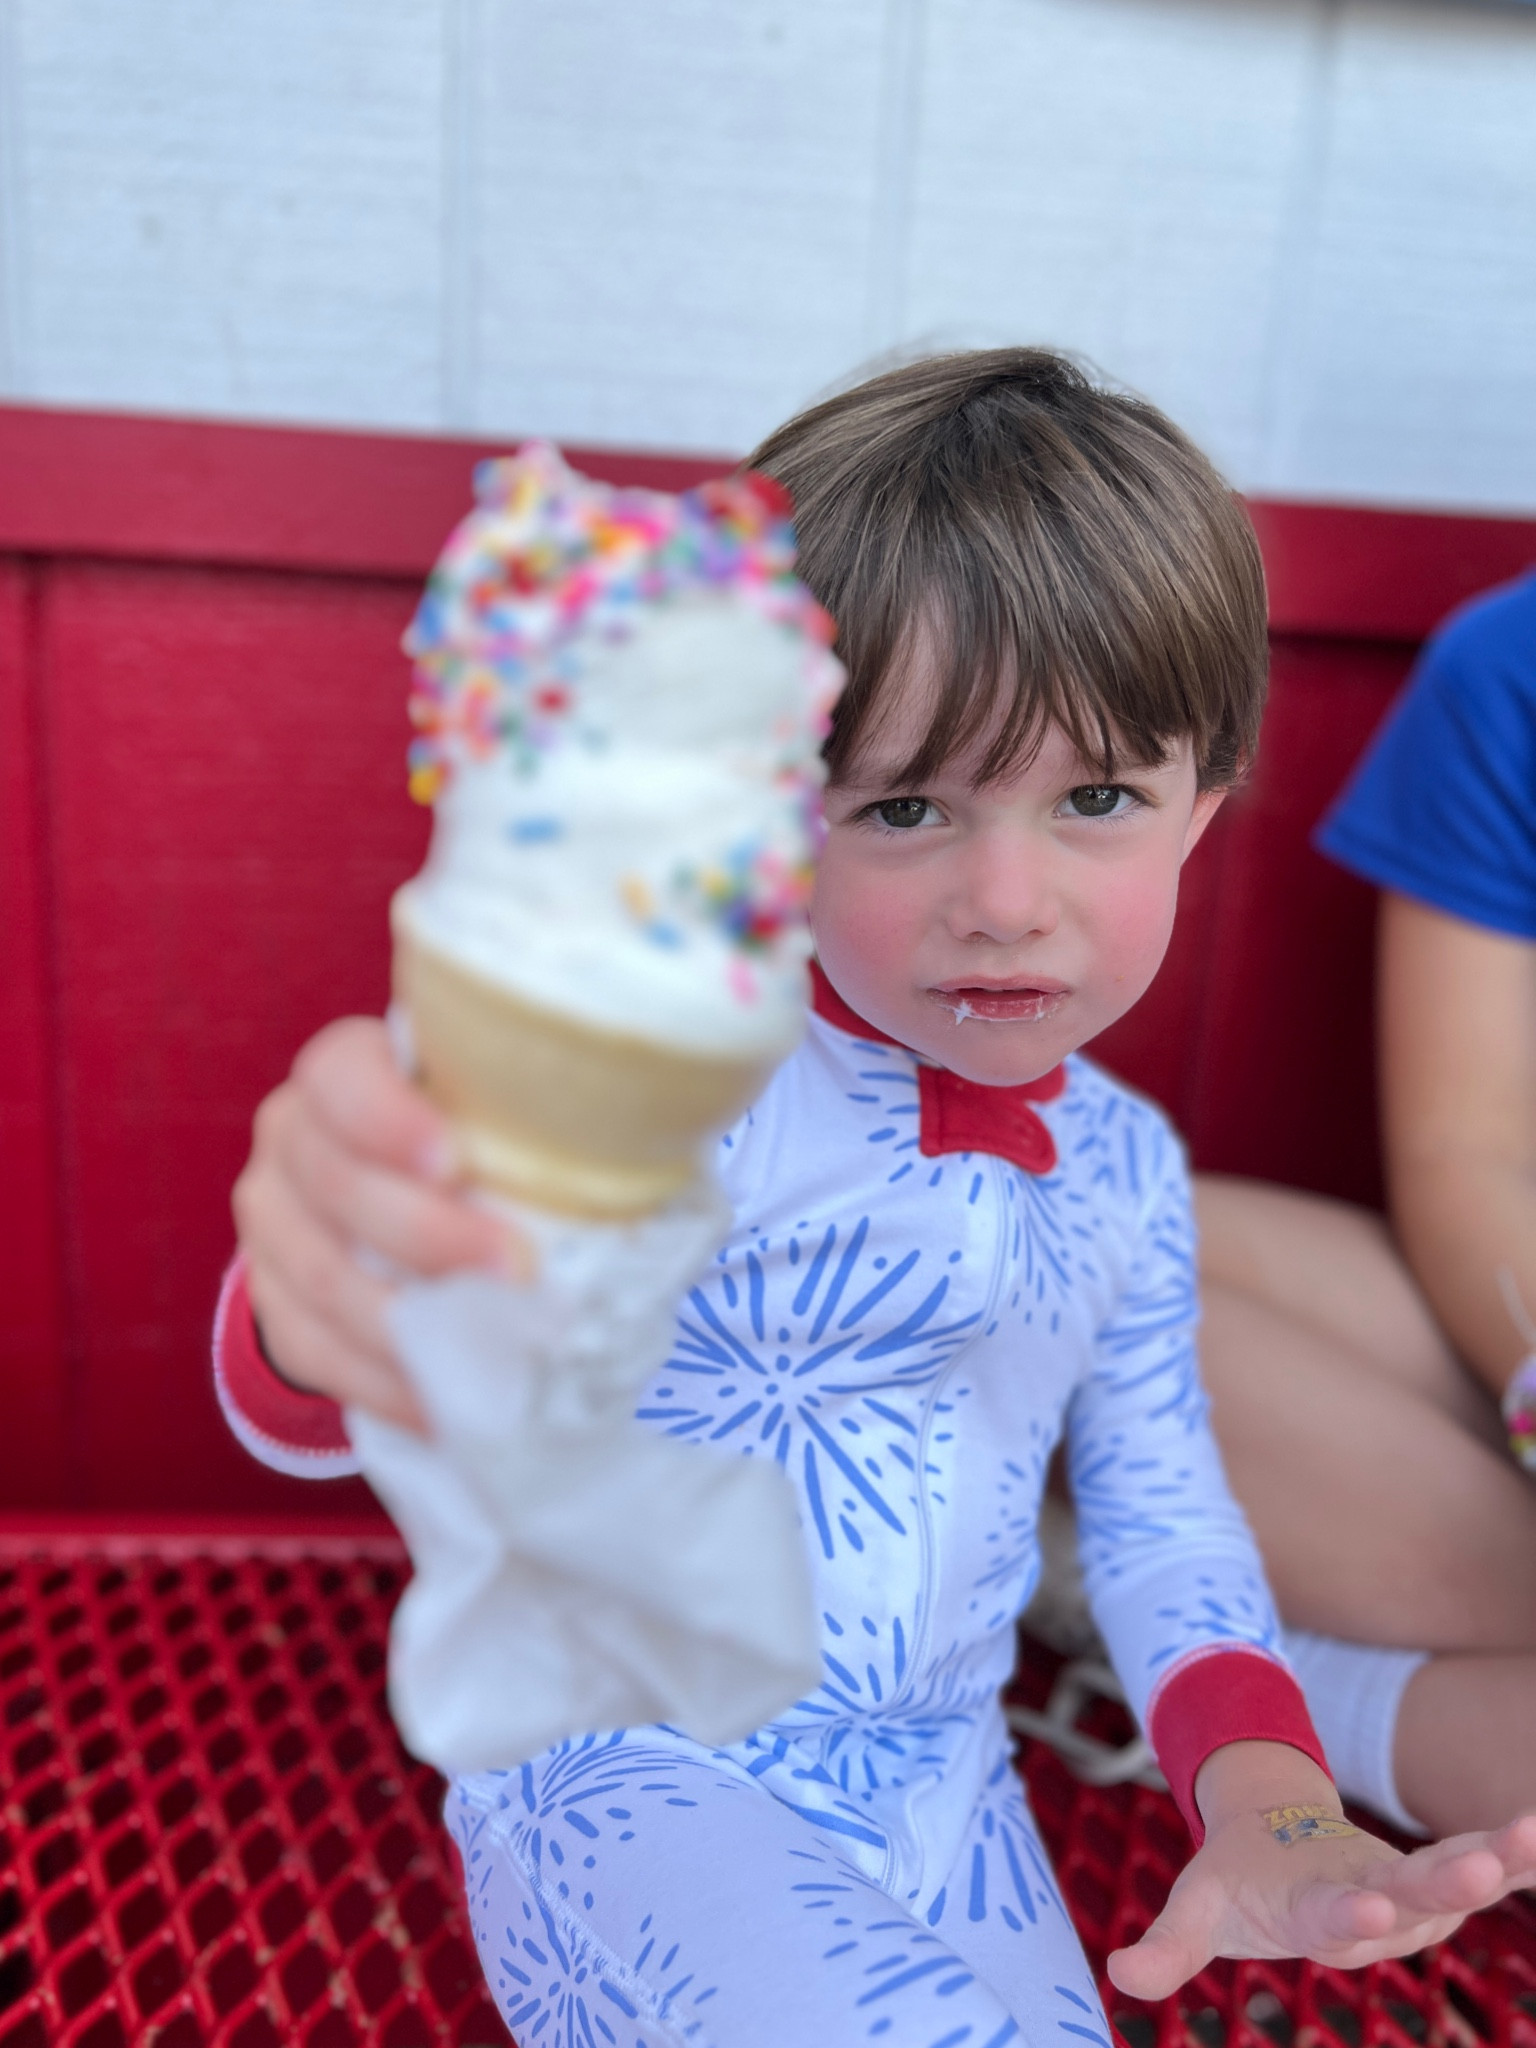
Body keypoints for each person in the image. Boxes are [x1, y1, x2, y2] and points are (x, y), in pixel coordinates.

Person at [218, 352, 1536, 2048]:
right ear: (771, 807)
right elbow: (382, 1335)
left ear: (1206, 805)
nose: (1007, 899)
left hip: (947, 1794)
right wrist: (321, 1291)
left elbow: (1165, 1520)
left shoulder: (1121, 1168)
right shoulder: (665, 1074)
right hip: (622, 1766)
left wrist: (1270, 1799)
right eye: (906, 805)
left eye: (1098, 800)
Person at [1196, 572, 1536, 1844]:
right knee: (1045, 1235)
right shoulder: (1513, 662)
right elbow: (1471, 1150)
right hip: (1499, 1320)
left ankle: (1278, 1682)